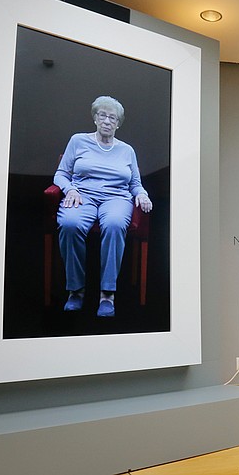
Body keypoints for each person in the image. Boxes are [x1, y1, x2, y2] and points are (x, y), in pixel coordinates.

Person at [54, 96, 153, 317]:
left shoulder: (127, 150)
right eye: (103, 115)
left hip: (116, 197)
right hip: (83, 195)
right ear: (95, 118)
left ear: (118, 123)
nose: (107, 121)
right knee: (69, 224)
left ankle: (107, 294)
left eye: (112, 118)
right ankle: (76, 290)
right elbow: (61, 174)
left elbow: (135, 183)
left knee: (115, 224)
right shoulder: (78, 141)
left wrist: (143, 194)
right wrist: (70, 189)